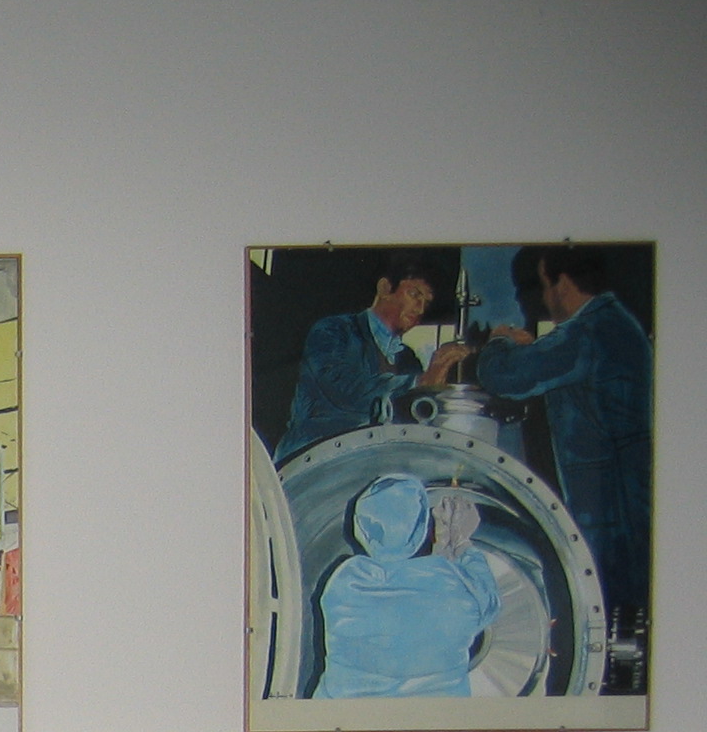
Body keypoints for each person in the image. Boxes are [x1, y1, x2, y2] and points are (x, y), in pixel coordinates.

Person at [475, 243, 654, 628]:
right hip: (626, 497)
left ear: (562, 284)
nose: (543, 298)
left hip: (608, 507)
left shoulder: (588, 331)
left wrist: (498, 343)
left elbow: (505, 377)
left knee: (604, 608)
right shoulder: (613, 324)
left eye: (543, 286)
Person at [313, 471, 503, 697]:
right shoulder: (453, 588)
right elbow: (488, 603)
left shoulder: (344, 582)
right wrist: (461, 542)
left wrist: (441, 556)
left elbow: (404, 600)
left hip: (346, 715)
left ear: (361, 528)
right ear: (421, 529)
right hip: (433, 717)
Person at [274, 252, 470, 463]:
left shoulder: (408, 359)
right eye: (415, 294)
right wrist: (418, 384)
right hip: (312, 459)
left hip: (371, 461)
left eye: (426, 302)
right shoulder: (333, 331)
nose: (421, 309)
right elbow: (346, 390)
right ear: (385, 288)